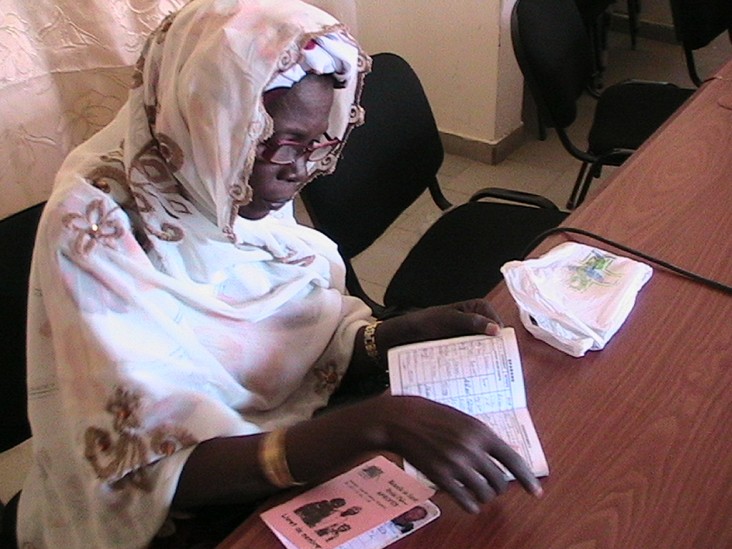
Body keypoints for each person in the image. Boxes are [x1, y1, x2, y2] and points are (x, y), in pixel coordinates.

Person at [16, 0, 542, 546]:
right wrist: (373, 424)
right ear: (207, 119)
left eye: (314, 141)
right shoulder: (97, 224)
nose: (299, 169)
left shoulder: (223, 179)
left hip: (281, 445)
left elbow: (290, 330)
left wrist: (390, 336)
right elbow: (143, 474)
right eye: (278, 143)